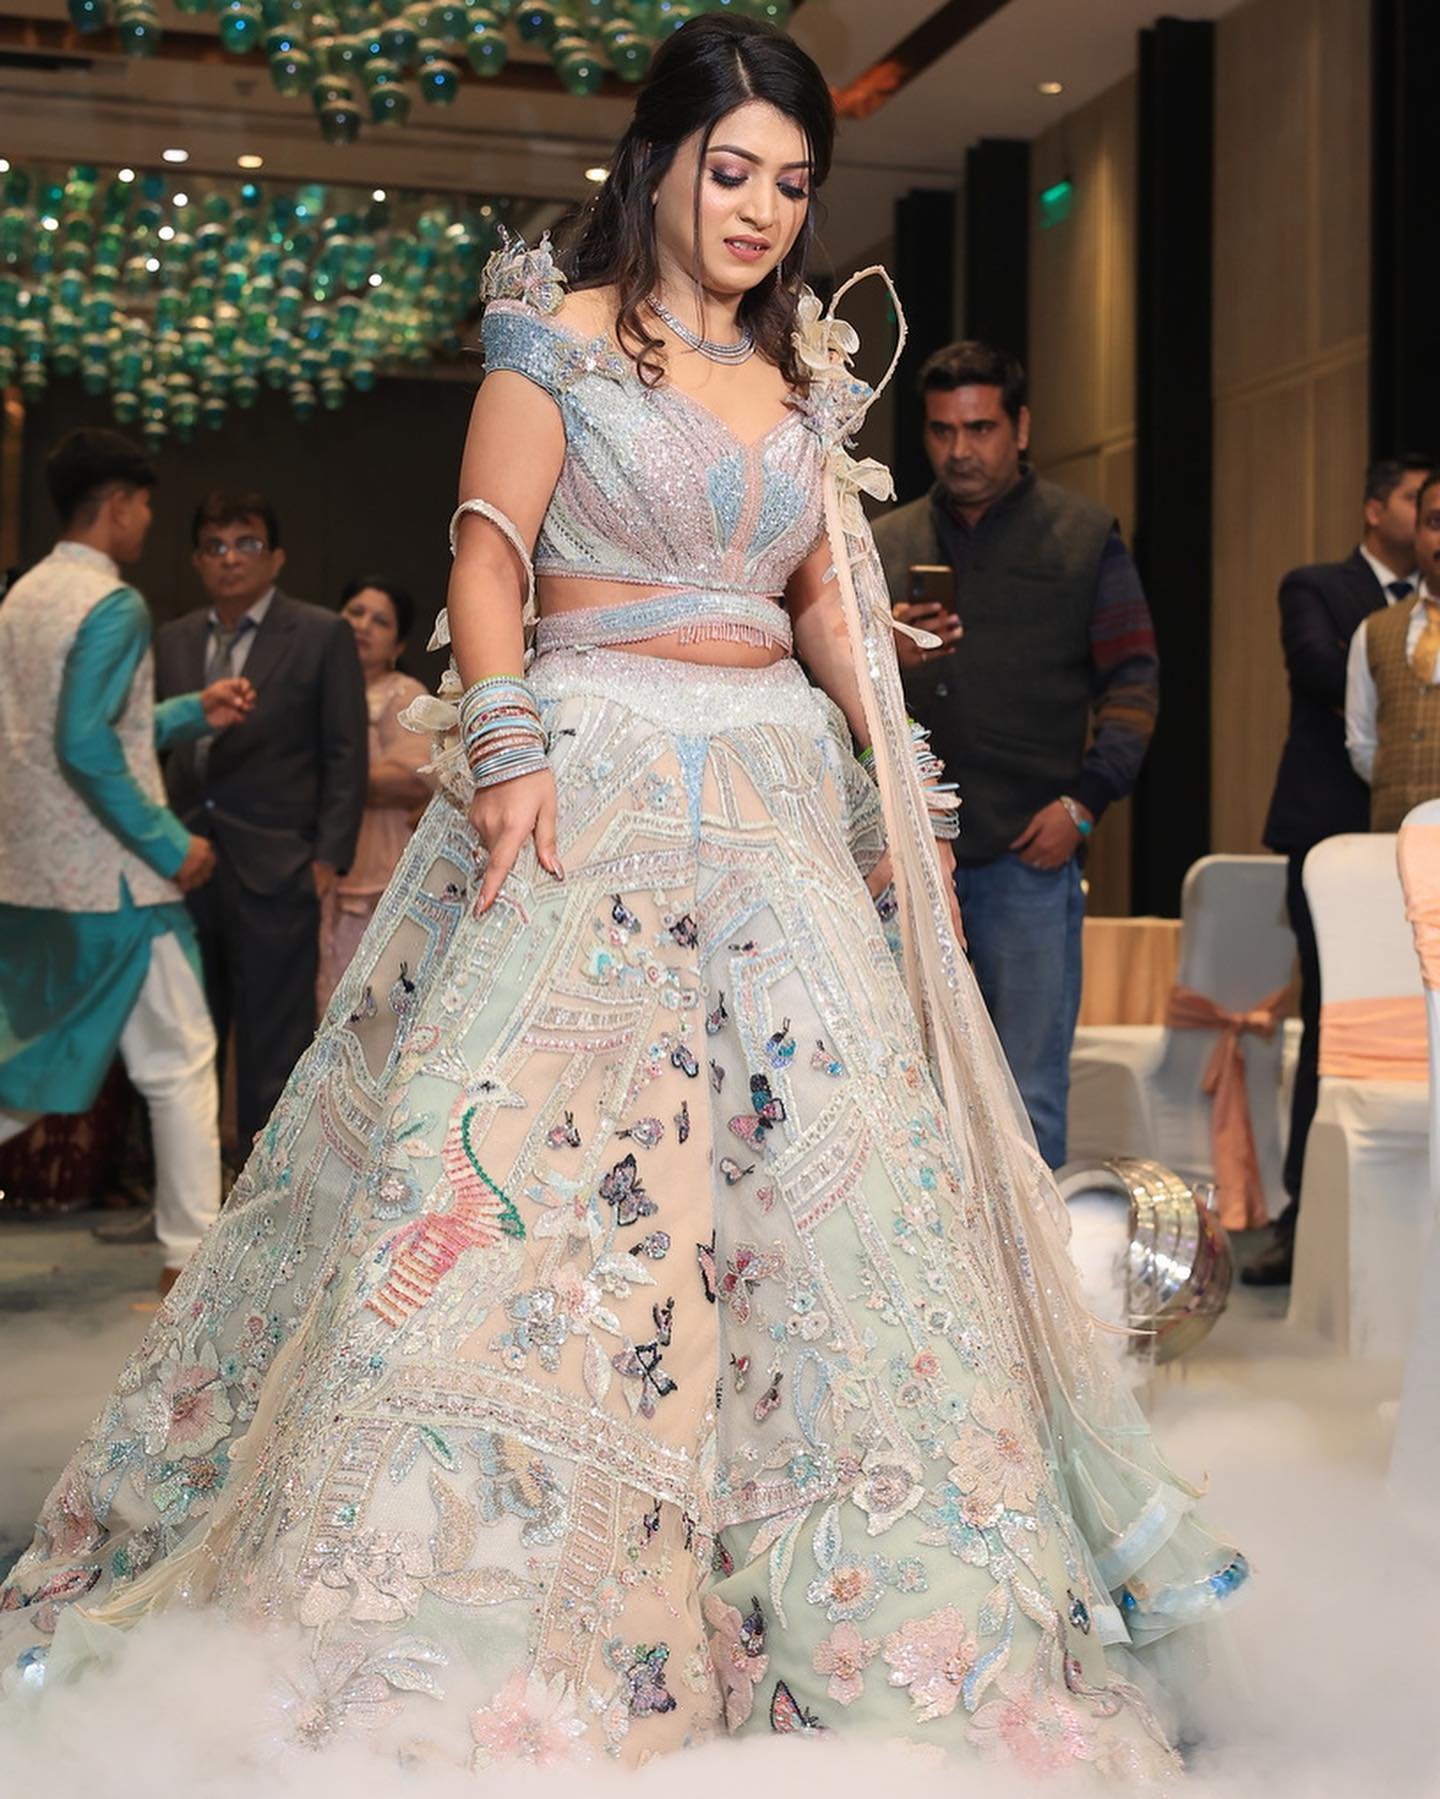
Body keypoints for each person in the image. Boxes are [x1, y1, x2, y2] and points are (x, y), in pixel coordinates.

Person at [0, 21, 1244, 1781]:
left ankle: (857, 1595)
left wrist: (889, 752)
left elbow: (821, 598)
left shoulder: (804, 375)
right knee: (525, 1176)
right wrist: (508, 745)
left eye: (792, 183)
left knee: (835, 1205)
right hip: (593, 776)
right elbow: (488, 557)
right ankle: (493, 1589)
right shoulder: (559, 338)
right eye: (730, 170)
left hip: (774, 797)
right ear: (658, 162)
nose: (759, 210)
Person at [870, 343, 1159, 1170]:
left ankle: (1038, 1261)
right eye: (941, 430)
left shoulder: (1083, 535)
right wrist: (891, 657)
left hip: (1029, 855)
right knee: (907, 1088)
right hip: (904, 857)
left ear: (1021, 427)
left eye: (981, 428)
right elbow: (825, 687)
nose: (960, 450)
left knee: (1030, 1096)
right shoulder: (883, 540)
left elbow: (1135, 682)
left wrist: (1085, 804)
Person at [0, 428, 253, 1292]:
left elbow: (68, 731)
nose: (147, 520)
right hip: (116, 880)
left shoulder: (24, 597)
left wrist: (187, 712)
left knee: (27, 1062)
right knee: (178, 1059)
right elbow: (82, 744)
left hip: (33, 874)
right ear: (116, 506)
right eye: (143, 505)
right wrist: (170, 843)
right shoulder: (113, 604)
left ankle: (189, 1248)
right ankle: (191, 1258)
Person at [1250, 453, 1430, 1287]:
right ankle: (1306, 1218)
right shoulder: (1320, 588)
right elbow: (1322, 672)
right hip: (1334, 835)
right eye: (1417, 502)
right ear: (1376, 510)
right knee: (1333, 1021)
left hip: (1415, 843)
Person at [153, 494, 368, 1157]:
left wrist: (327, 857)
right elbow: (149, 750)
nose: (230, 559)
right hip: (184, 862)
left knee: (274, 1046)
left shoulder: (319, 633)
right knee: (182, 1038)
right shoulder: (172, 639)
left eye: (246, 543)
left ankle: (260, 1193)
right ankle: (186, 1188)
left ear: (275, 558)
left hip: (279, 865)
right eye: (214, 546)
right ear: (196, 560)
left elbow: (345, 751)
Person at [315, 576, 432, 1011]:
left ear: (398, 645)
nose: (363, 626)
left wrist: (315, 780)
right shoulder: (311, 686)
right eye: (355, 613)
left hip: (374, 865)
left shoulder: (403, 694)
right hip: (307, 861)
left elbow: (410, 779)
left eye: (380, 621)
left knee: (358, 999)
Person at [1346, 465, 1440, 823]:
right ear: (1416, 533)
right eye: (1435, 523)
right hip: (1394, 838)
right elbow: (1363, 746)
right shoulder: (1373, 631)